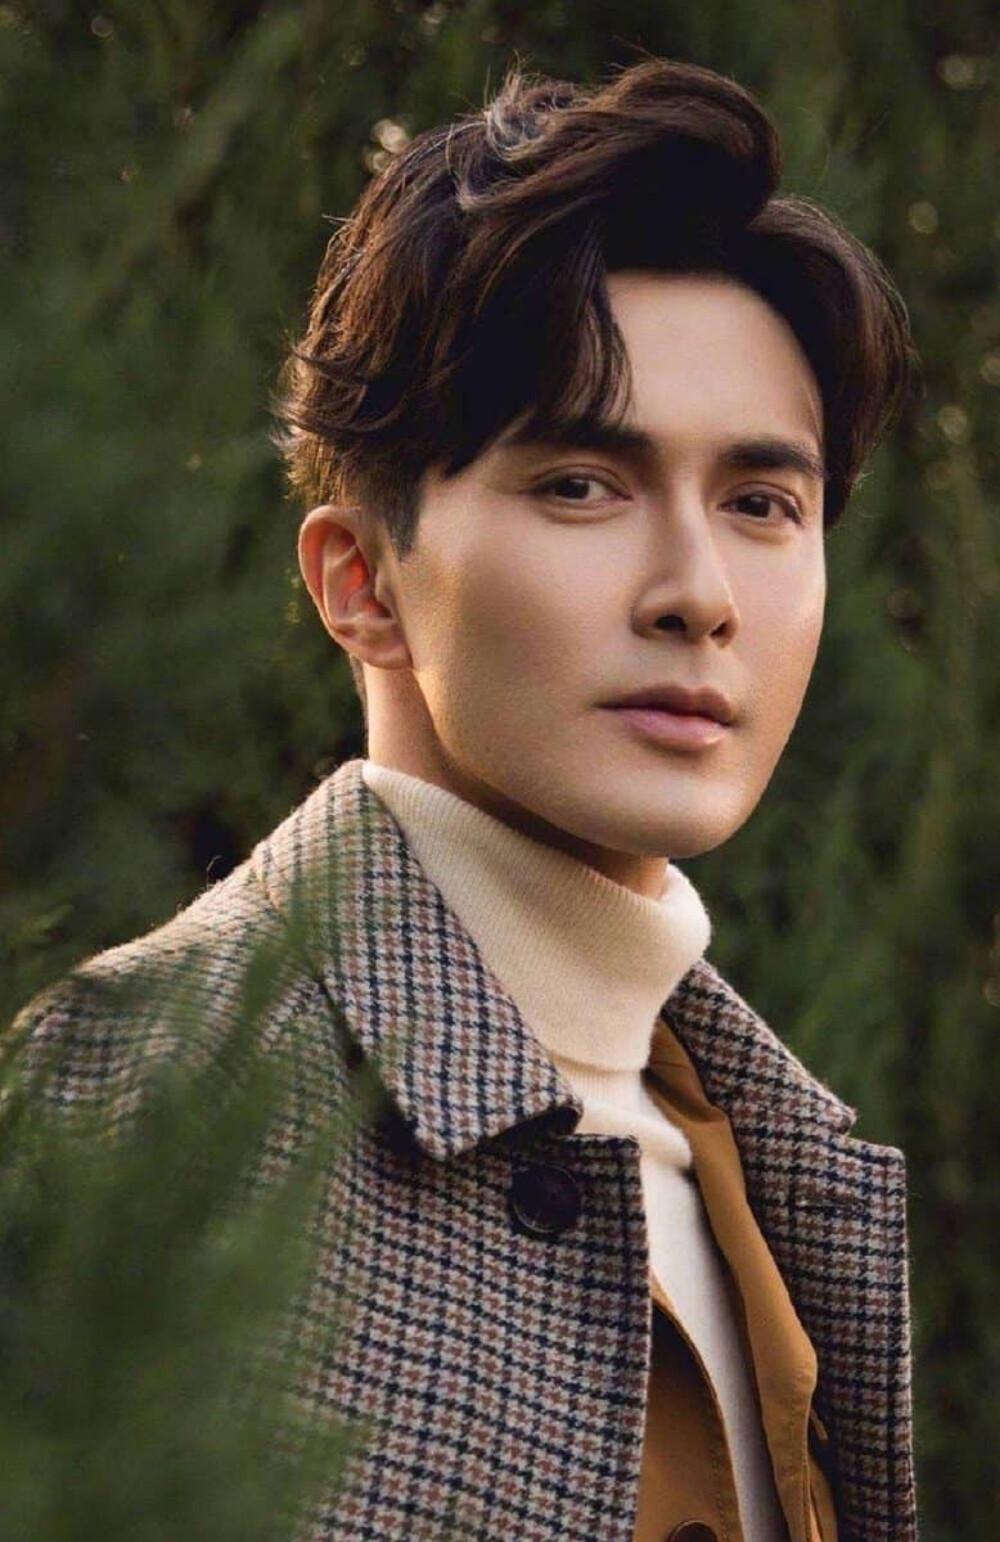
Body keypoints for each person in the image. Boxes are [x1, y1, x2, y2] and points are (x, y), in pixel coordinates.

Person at [11, 57, 919, 1541]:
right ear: (360, 582)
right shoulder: (125, 1102)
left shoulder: (777, 1162)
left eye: (763, 502)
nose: (699, 593)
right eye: (581, 484)